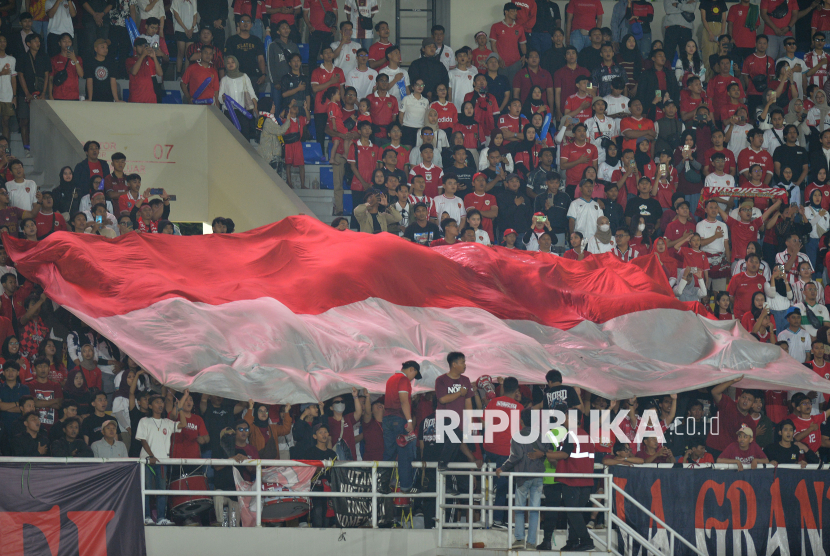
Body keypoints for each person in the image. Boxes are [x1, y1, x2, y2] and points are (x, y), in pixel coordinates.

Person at [545, 402, 596, 552]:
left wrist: (543, 454)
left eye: (565, 416)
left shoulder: (570, 434)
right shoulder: (587, 435)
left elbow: (565, 454)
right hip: (586, 480)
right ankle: (573, 541)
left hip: (572, 480)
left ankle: (586, 541)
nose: (564, 419)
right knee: (575, 514)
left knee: (573, 512)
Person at [495, 408, 546, 550]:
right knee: (534, 509)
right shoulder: (541, 435)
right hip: (537, 475)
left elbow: (515, 457)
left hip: (522, 476)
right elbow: (546, 452)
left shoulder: (517, 437)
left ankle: (519, 539)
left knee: (519, 508)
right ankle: (531, 542)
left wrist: (502, 468)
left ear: (521, 421)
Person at [136, 392, 188, 526]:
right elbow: (143, 440)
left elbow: (183, 424)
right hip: (147, 460)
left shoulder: (168, 422)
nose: (160, 405)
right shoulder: (144, 421)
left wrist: (180, 408)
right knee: (146, 489)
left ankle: (161, 518)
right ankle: (146, 517)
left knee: (162, 490)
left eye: (161, 402)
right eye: (157, 402)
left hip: (163, 460)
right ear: (150, 405)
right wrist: (151, 456)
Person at [381, 361, 421, 493]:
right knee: (405, 453)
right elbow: (404, 400)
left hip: (386, 418)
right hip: (399, 418)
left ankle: (383, 483)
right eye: (414, 375)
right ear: (411, 369)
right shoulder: (403, 379)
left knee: (389, 452)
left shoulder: (390, 379)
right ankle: (406, 486)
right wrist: (409, 421)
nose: (413, 378)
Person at [224, 14, 266, 89]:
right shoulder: (232, 40)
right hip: (236, 75)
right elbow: (228, 58)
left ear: (251, 25)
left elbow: (261, 59)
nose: (245, 24)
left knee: (253, 99)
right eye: (243, 21)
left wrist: (263, 74)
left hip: (253, 75)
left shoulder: (256, 40)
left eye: (248, 22)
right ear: (238, 24)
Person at [490, 3, 528, 84]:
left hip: (516, 62)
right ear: (506, 12)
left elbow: (522, 44)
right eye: (513, 11)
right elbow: (493, 45)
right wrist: (499, 59)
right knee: (503, 87)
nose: (516, 13)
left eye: (516, 11)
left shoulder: (519, 27)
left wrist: (525, 55)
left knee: (515, 87)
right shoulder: (496, 26)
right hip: (502, 63)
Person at [408, 37, 449, 103]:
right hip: (419, 99)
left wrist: (435, 93)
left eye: (434, 46)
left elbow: (445, 81)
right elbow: (413, 80)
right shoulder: (416, 64)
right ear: (423, 49)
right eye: (429, 46)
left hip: (437, 99)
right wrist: (426, 92)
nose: (432, 48)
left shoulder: (440, 65)